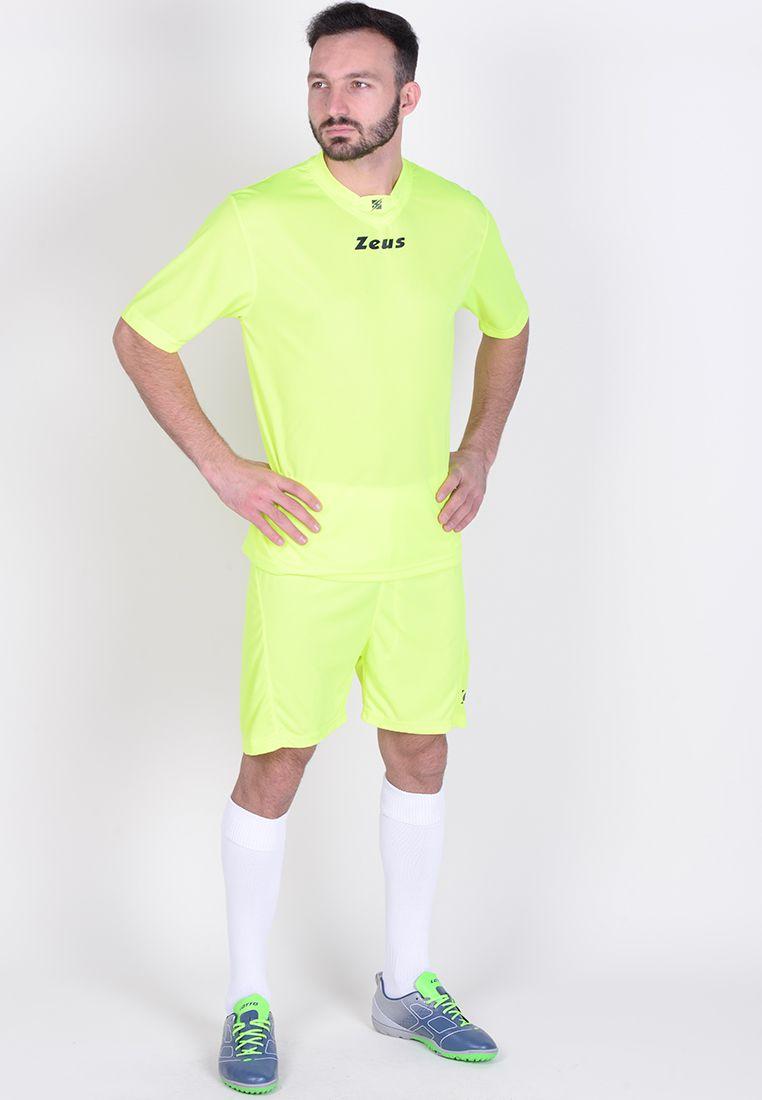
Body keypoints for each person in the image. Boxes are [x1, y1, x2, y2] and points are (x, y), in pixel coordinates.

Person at [113, 2, 529, 1093]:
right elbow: (142, 335)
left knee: (421, 752)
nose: (332, 103)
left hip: (422, 546)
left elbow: (508, 322)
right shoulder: (258, 218)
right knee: (277, 761)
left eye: (357, 83)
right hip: (304, 548)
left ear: (407, 95)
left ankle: (407, 981)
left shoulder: (458, 217)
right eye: (318, 83)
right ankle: (248, 997)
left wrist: (479, 447)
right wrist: (225, 467)